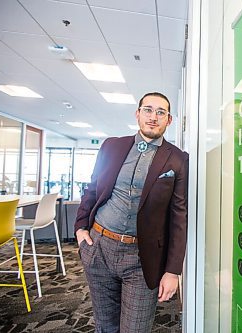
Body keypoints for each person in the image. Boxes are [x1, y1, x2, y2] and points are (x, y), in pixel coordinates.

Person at [74, 92, 189, 332]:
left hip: (142, 258)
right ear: (138, 114)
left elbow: (179, 216)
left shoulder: (178, 159)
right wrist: (80, 228)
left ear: (169, 120)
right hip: (99, 247)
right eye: (148, 110)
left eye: (161, 112)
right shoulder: (112, 145)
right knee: (105, 326)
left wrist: (173, 271)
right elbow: (93, 188)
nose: (153, 117)